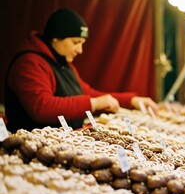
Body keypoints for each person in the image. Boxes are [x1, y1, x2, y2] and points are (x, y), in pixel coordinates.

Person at [4, 8, 158, 132]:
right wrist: (94, 103)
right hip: (32, 150)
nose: (80, 50)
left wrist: (131, 100)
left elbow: (88, 93)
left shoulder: (64, 64)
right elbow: (42, 107)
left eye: (82, 43)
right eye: (76, 42)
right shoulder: (29, 63)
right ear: (55, 38)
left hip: (65, 140)